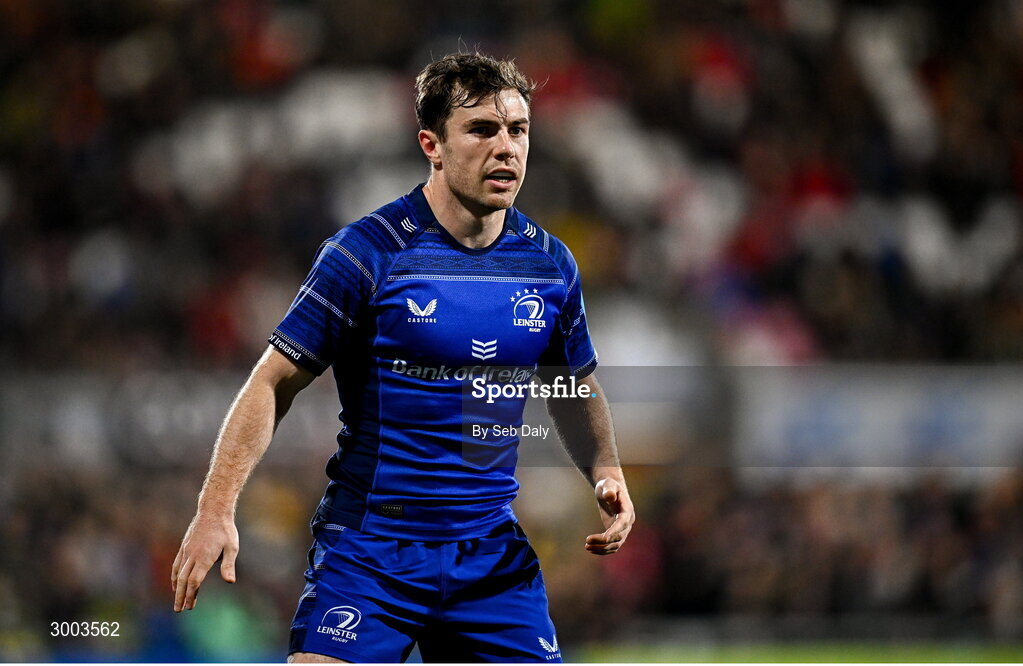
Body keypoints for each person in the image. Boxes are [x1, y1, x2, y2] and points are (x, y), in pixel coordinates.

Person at [171, 51, 634, 663]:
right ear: (432, 144)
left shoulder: (550, 264)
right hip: (372, 548)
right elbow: (272, 382)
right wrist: (216, 509)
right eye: (482, 130)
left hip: (488, 553)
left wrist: (606, 468)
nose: (506, 148)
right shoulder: (367, 253)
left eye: (518, 130)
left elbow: (572, 382)